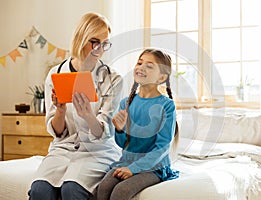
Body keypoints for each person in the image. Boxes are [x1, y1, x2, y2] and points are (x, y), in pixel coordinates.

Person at [28, 12, 122, 200]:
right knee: (40, 191)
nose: (99, 49)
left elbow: (104, 133)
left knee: (72, 189)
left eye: (104, 44)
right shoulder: (56, 75)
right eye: (94, 42)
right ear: (80, 39)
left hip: (97, 151)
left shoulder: (112, 79)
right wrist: (60, 112)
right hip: (63, 149)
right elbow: (57, 132)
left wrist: (88, 115)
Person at [97, 49, 179, 200]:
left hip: (154, 167)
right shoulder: (126, 103)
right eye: (140, 63)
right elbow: (123, 144)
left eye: (149, 66)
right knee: (103, 188)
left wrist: (133, 169)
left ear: (161, 77)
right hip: (127, 161)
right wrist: (120, 130)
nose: (141, 67)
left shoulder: (167, 105)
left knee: (121, 191)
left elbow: (162, 147)